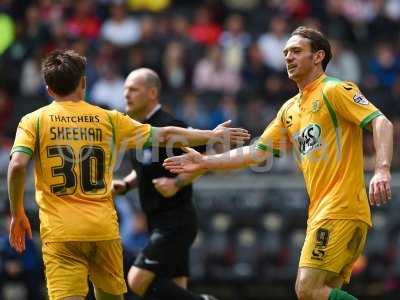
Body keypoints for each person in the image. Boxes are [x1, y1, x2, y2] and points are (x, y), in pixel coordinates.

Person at [163, 26, 393, 300]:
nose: (288, 57)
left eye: (296, 51)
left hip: (340, 208)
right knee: (321, 294)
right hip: (325, 210)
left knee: (306, 289)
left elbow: (381, 122)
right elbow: (255, 153)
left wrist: (381, 170)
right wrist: (204, 161)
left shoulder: (335, 90)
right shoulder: (290, 110)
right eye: (285, 52)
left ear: (318, 56)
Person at [7, 49, 249, 300]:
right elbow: (164, 135)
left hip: (61, 232)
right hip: (103, 230)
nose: (126, 95)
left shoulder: (33, 121)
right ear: (83, 83)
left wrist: (17, 213)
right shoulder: (110, 119)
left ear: (48, 88)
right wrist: (211, 134)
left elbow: (16, 166)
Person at [113, 68, 221, 300]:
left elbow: (203, 162)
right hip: (157, 220)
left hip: (176, 221)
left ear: (152, 93)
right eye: (125, 89)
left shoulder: (170, 125)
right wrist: (126, 184)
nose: (126, 94)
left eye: (133, 89)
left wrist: (177, 182)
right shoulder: (137, 129)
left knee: (137, 281)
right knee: (176, 288)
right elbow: (143, 168)